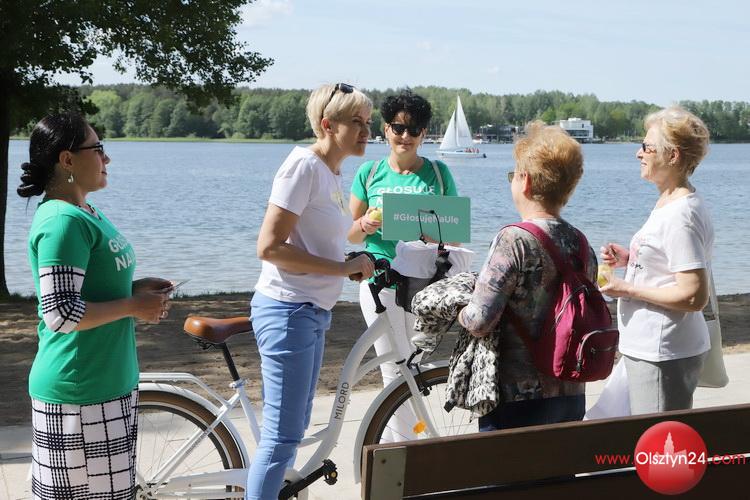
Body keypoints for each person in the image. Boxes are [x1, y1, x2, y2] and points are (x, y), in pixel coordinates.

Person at [17, 112, 172, 499]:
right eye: (98, 148)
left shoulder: (86, 212)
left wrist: (134, 289)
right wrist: (133, 305)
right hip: (79, 393)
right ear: (67, 160)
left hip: (108, 385)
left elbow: (88, 288)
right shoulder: (62, 222)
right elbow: (61, 313)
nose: (107, 158)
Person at [247, 83, 375, 499]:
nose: (366, 131)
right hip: (288, 309)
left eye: (368, 122)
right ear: (327, 124)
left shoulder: (331, 173)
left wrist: (350, 259)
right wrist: (340, 268)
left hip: (311, 311)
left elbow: (316, 242)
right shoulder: (303, 166)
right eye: (356, 121)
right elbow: (269, 247)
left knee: (294, 429)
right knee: (282, 437)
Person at [457, 121, 596, 431]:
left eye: (514, 174)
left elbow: (480, 321)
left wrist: (458, 309)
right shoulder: (582, 244)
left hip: (516, 401)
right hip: (570, 394)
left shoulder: (514, 240)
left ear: (526, 181)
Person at [348, 90, 458, 441]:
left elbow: (454, 234)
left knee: (414, 367)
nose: (405, 136)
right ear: (386, 129)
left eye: (414, 130)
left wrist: (430, 232)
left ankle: (404, 449)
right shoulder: (369, 173)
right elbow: (349, 234)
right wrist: (365, 224)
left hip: (425, 283)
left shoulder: (438, 173)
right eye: (398, 128)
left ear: (424, 133)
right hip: (379, 282)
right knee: (395, 371)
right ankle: (403, 452)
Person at [599, 106, 713, 415]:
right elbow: (671, 265)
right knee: (637, 435)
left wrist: (627, 289)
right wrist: (633, 259)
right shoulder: (670, 201)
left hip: (663, 350)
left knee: (658, 441)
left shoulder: (681, 214)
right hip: (652, 346)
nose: (638, 153)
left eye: (647, 147)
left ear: (672, 155)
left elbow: (693, 296)